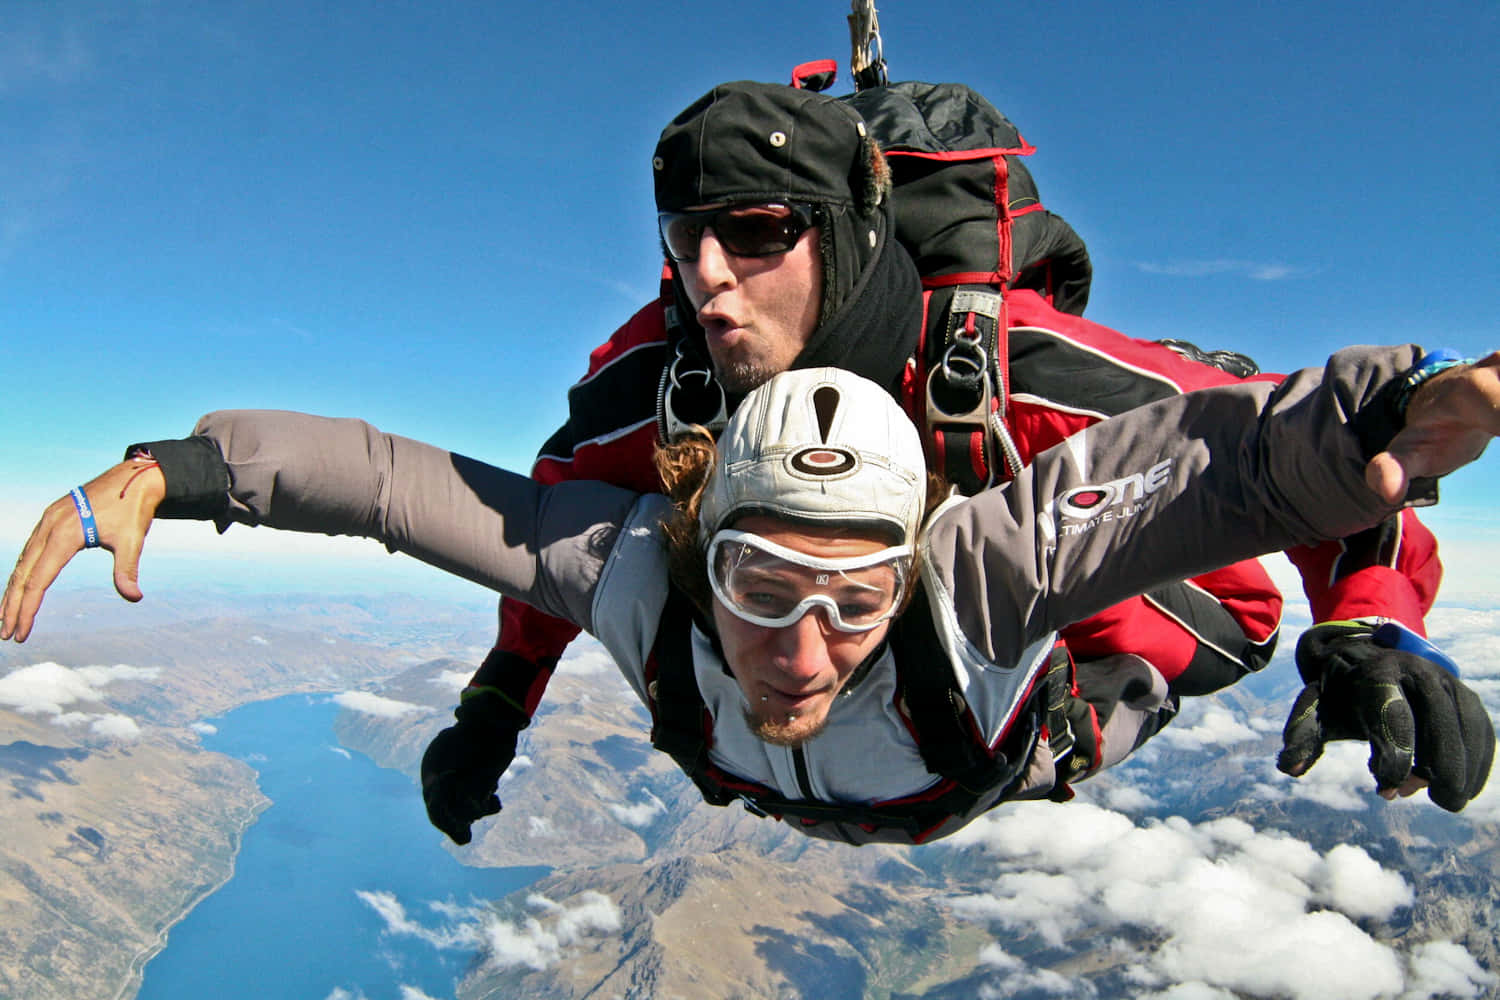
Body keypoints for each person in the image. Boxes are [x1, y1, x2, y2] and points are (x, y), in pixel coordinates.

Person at [433, 79, 1446, 844]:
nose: (708, 278)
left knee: (970, 552)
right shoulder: (662, 385)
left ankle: (1052, 693)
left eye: (755, 231)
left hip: (1141, 617)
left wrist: (1371, 614)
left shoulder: (1012, 370)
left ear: (845, 235)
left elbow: (1326, 445)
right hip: (849, 709)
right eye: (685, 236)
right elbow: (562, 534)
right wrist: (496, 703)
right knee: (681, 532)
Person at [2, 348, 1495, 845]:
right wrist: (180, 471)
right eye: (760, 585)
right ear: (696, 542)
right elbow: (393, 489)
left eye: (855, 594)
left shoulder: (980, 577)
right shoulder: (632, 569)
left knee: (1166, 648)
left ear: (913, 559)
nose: (801, 643)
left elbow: (1214, 464)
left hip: (1011, 759)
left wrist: (1378, 439)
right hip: (889, 775)